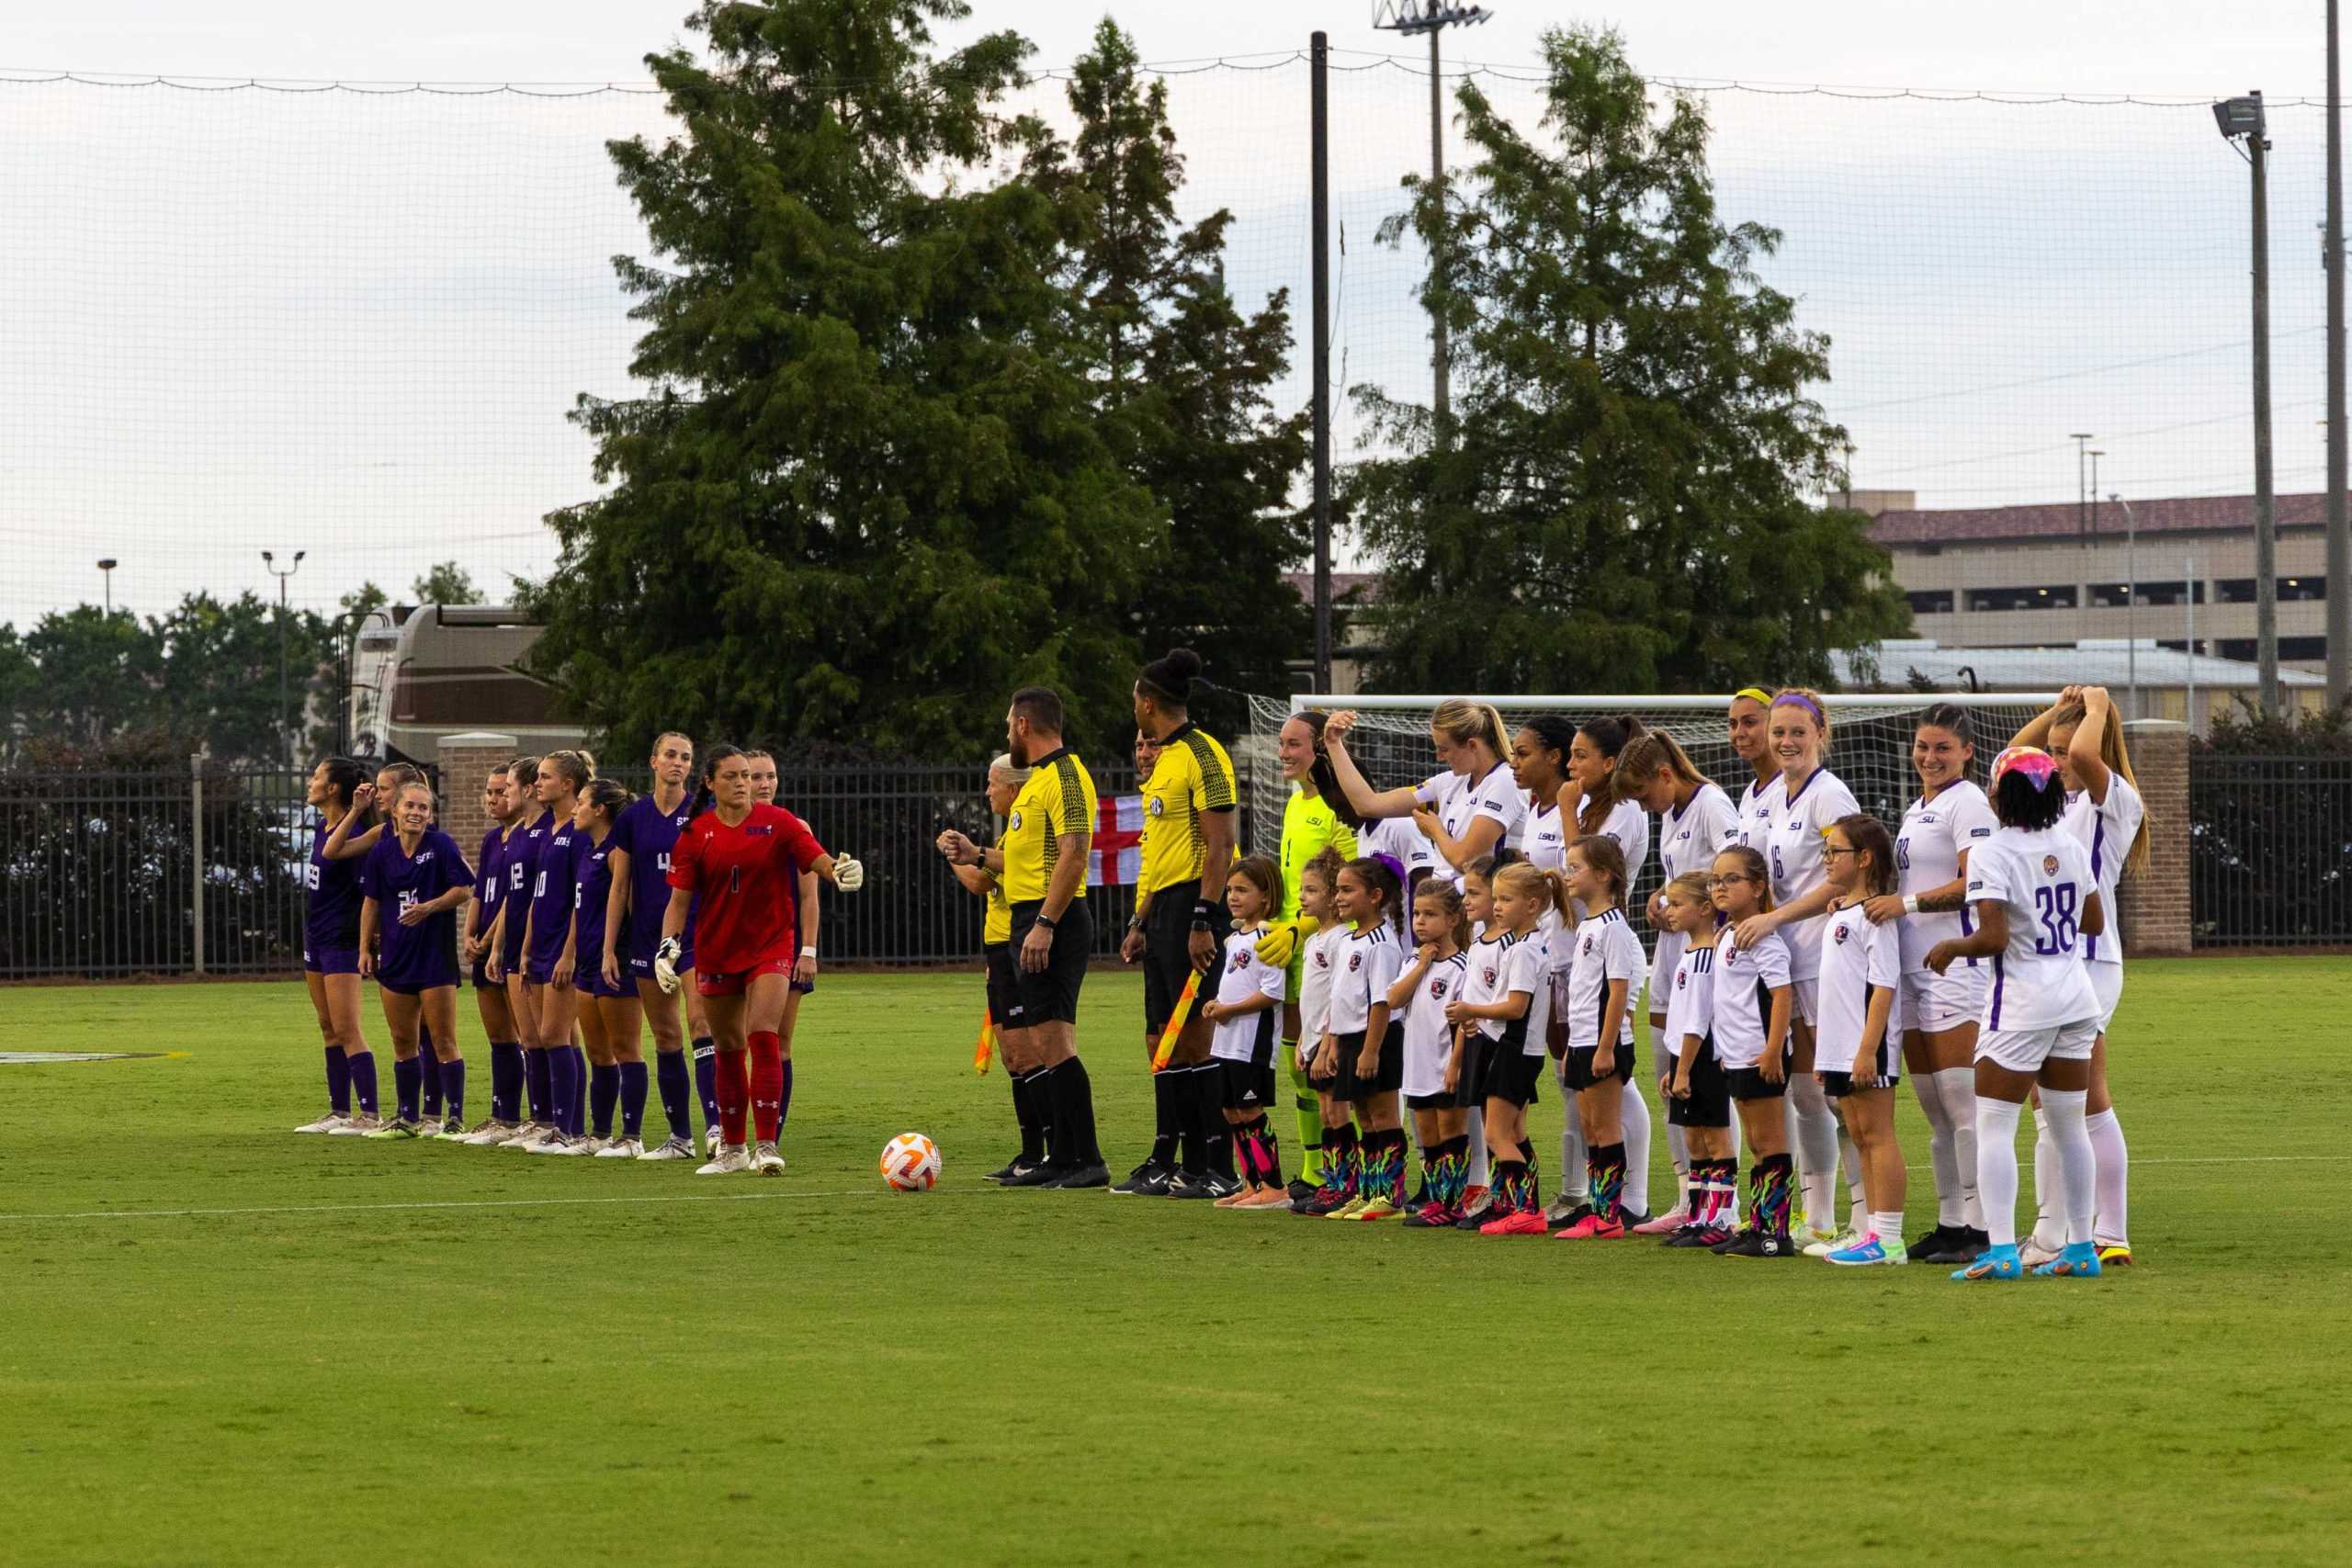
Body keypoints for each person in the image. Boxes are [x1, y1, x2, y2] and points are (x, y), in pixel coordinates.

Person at [1926, 746, 2108, 1281]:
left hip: (2023, 1004)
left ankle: (2002, 1250)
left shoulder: (1992, 851)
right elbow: (2093, 921)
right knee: (2069, 1127)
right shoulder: (2069, 844)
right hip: (2075, 998)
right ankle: (2080, 1248)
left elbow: (1994, 936)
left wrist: (1951, 949)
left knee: (1995, 1125)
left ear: (2001, 796)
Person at [660, 745, 863, 1176]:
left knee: (763, 1035)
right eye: (731, 776)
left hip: (771, 946)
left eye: (747, 776)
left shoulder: (778, 823)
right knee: (728, 1048)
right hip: (716, 950)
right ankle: (733, 1149)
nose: (742, 783)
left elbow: (815, 858)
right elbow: (679, 901)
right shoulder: (696, 834)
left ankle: (767, 1145)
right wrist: (668, 946)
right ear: (711, 784)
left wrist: (838, 871)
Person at [935, 688, 1104, 1188]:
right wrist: (976, 853)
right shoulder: (1037, 784)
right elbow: (1024, 861)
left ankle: (1087, 1159)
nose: (1007, 732)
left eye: (1010, 724)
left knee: (1056, 1040)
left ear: (1024, 726)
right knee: (1041, 1042)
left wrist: (1046, 924)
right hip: (1028, 919)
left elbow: (1074, 855)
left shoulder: (1067, 777)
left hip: (1054, 920)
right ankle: (1061, 1158)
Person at [2011, 685, 2146, 1269]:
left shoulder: (2112, 798)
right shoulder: (2052, 801)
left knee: (2086, 1099)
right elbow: (2015, 757)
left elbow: (2091, 759)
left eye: (2065, 750)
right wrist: (2061, 711)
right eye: (2056, 750)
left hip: (2091, 962)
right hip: (2049, 963)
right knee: (2050, 1105)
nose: (2058, 759)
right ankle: (2067, 1231)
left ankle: (2106, 1230)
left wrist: (2097, 709)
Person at [1725, 689, 1864, 1249]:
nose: (1786, 742)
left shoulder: (1829, 796)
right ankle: (1819, 1215)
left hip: (1822, 957)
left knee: (1834, 1093)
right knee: (1806, 1093)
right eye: (1778, 732)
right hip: (1781, 958)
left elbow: (1844, 875)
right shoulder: (1771, 795)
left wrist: (1776, 916)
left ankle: (1861, 1216)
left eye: (1797, 733)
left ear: (1819, 735)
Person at [1859, 705, 1997, 1262]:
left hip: (1955, 968)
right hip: (1914, 968)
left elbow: (1977, 881)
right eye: (1923, 746)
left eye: (1943, 748)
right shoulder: (1920, 807)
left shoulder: (1968, 803)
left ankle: (1980, 1227)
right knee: (1934, 1108)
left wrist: (1907, 902)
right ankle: (1948, 1221)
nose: (1930, 758)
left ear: (1967, 751)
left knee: (1963, 1104)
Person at [1126, 649, 1241, 1197]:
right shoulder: (1165, 758)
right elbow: (1160, 850)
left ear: (1147, 703)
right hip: (1164, 912)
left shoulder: (1204, 754)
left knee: (1197, 1036)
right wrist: (1139, 919)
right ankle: (1175, 1161)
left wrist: (1203, 917)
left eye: (1135, 701)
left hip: (1196, 906)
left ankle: (1214, 1167)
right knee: (1161, 1038)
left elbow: (1219, 844)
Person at [1617, 728, 1740, 1231]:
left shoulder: (1713, 803)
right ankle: (1689, 1196)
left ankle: (1720, 1205)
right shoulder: (1671, 812)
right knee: (1671, 1067)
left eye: (1645, 793)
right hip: (1674, 954)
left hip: (1708, 956)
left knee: (1706, 1077)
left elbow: (1736, 872)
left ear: (1665, 774)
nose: (1646, 806)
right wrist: (1662, 899)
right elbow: (1686, 880)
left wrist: (1707, 917)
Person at [1549, 717, 1655, 1227]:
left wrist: (1609, 1043)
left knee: (1609, 1118)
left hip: (1606, 1037)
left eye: (1580, 755)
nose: (1570, 766)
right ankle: (1598, 1203)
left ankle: (1618, 1207)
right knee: (1592, 1121)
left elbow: (1617, 991)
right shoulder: (1592, 925)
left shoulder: (1613, 926)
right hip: (1587, 1030)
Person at [1250, 710, 1360, 1198]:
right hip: (1298, 943)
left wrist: (1302, 927)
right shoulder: (1296, 804)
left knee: (1331, 1064)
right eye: (1282, 742)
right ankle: (1316, 1171)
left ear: (1319, 750)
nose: (1283, 752)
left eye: (1294, 743)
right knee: (1298, 1063)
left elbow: (1350, 889)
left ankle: (1347, 1171)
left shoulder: (1340, 810)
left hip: (1332, 949)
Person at [603, 732, 712, 1161]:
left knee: (700, 1024)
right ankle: (680, 1138)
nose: (678, 763)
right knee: (666, 1035)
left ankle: (718, 1130)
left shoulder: (701, 814)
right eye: (671, 755)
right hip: (648, 939)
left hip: (695, 935)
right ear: (653, 761)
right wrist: (610, 947)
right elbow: (619, 887)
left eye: (686, 757)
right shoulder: (633, 819)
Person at [942, 754, 1048, 1183]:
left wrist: (955, 855)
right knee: (1012, 1056)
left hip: (1013, 946)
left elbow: (980, 881)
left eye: (992, 784)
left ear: (1014, 788)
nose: (988, 792)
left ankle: (1048, 1152)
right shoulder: (1008, 837)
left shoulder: (1021, 837)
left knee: (1027, 1054)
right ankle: (1029, 1154)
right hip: (998, 951)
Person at [1812, 814, 1908, 1265]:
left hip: (1865, 1047)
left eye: (1836, 851)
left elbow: (1883, 985)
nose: (1827, 860)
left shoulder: (1875, 915)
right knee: (1858, 1134)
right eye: (1826, 851)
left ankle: (1889, 1239)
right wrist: (1825, 1052)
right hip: (1838, 1048)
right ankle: (1871, 1232)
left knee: (1877, 1135)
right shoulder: (1843, 912)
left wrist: (1868, 1048)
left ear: (1864, 857)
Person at [355, 780, 473, 1137]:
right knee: (402, 1040)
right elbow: (372, 902)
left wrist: (429, 907)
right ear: (395, 810)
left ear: (430, 815)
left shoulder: (441, 846)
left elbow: (464, 889)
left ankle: (452, 1119)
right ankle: (407, 1118)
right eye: (410, 806)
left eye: (423, 808)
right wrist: (364, 949)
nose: (416, 813)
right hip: (395, 957)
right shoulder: (382, 852)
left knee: (443, 1039)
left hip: (434, 959)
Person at [319, 761, 427, 1136]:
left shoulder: (432, 843)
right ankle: (353, 1111)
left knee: (426, 1036)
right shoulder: (380, 833)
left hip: (415, 946)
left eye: (383, 789)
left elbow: (461, 886)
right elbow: (332, 852)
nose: (376, 795)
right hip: (362, 941)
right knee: (396, 1036)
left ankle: (419, 1114)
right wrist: (356, 810)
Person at [1449, 861, 1553, 1235]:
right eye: (1496, 899)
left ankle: (1522, 1210)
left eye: (1505, 899)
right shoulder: (1524, 944)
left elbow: (1516, 1007)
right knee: (1514, 1132)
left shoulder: (1524, 949)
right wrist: (1481, 1018)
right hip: (1515, 1046)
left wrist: (1471, 1009)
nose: (1497, 907)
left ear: (1532, 904)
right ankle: (1519, 1207)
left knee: (1496, 1135)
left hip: (1514, 1049)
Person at [1320, 700, 1521, 889]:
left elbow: (1464, 860)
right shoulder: (1449, 781)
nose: (1439, 757)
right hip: (1454, 908)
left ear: (1472, 745)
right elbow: (1368, 805)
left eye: (1444, 749)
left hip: (1490, 910)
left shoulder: (1504, 780)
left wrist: (1436, 831)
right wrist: (1334, 744)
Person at [1707, 845, 1799, 1258]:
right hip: (1738, 1053)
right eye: (1715, 880)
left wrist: (1773, 1050)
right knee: (1756, 1144)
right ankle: (1759, 1224)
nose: (1720, 888)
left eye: (1731, 879)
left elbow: (1782, 994)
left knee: (1769, 1141)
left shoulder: (1764, 939)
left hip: (1761, 1053)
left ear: (1758, 887)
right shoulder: (1727, 933)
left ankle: (1774, 1233)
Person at [1312, 856, 1408, 1221]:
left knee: (1384, 1117)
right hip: (1351, 1039)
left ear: (1375, 896)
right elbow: (1340, 998)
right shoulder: (1350, 939)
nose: (1338, 896)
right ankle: (1369, 1191)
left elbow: (1381, 1003)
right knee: (1364, 1118)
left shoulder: (1381, 944)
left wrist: (1371, 1051)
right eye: (1337, 889)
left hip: (1376, 1040)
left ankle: (1392, 1198)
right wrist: (1332, 1045)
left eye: (1347, 889)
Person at [1652, 874, 1737, 1247]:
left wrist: (1682, 1069)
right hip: (1683, 1058)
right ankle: (1699, 1215)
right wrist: (1675, 1068)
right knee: (1694, 1141)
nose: (1669, 911)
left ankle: (1721, 1217)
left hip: (1701, 1056)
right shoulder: (1689, 953)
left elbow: (1697, 1021)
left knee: (1715, 1139)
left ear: (1704, 909)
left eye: (1677, 904)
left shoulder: (1705, 958)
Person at [1202, 855, 1292, 1209]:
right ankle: (1252, 1182)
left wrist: (1229, 1009)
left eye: (1243, 889)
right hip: (1227, 1039)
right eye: (1229, 890)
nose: (1233, 897)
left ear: (1266, 896)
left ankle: (1275, 1185)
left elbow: (1272, 993)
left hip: (1251, 1042)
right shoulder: (1234, 937)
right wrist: (1216, 1004)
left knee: (1250, 1111)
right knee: (1231, 1111)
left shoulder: (1268, 937)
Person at [294, 757, 378, 1134]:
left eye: (316, 777)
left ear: (332, 789)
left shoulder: (356, 832)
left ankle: (369, 1114)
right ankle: (339, 1112)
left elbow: (367, 895)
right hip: (317, 936)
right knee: (328, 1026)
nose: (310, 782)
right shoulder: (322, 825)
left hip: (341, 939)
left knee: (347, 1028)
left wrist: (367, 942)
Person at [515, 750, 592, 1152]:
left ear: (567, 785)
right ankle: (563, 1126)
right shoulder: (549, 830)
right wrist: (527, 949)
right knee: (555, 1037)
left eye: (545, 777)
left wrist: (570, 953)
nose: (536, 783)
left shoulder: (578, 832)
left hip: (563, 948)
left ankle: (570, 1129)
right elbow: (536, 898)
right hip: (541, 947)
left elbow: (581, 900)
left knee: (553, 1034)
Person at [566, 777, 645, 1156]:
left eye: (581, 801)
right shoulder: (589, 849)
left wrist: (618, 952)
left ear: (600, 809)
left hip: (615, 962)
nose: (574, 808)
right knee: (598, 1052)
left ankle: (631, 1137)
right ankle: (598, 1135)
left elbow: (631, 907)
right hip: (587, 962)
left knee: (626, 1049)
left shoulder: (617, 852)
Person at [1390, 877, 1473, 1227]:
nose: (1420, 922)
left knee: (1450, 1133)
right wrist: (1422, 964)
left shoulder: (1461, 966)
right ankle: (1438, 1200)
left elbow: (1466, 1025)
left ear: (1453, 920)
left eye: (1430, 915)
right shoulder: (1414, 960)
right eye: (1416, 914)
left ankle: (1453, 1203)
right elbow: (1393, 999)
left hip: (1445, 1064)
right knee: (1428, 1138)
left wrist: (1455, 1064)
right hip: (1417, 1067)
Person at [482, 756, 555, 1145]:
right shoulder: (519, 834)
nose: (504, 793)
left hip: (542, 944)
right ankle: (539, 1117)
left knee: (551, 1035)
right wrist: (498, 946)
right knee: (530, 1037)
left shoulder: (545, 831)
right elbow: (513, 898)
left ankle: (556, 1121)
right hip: (516, 945)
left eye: (508, 787)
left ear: (527, 790)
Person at [455, 761, 526, 1144]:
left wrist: (493, 936)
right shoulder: (490, 840)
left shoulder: (528, 837)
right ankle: (504, 1117)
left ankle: (540, 1118)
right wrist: (469, 933)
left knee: (530, 1035)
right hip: (486, 946)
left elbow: (516, 897)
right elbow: (481, 892)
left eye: (503, 790)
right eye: (490, 792)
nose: (495, 798)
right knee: (499, 1036)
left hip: (513, 945)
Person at [746, 747, 825, 1086]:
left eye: (771, 776)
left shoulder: (794, 827)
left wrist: (808, 951)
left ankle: (770, 1135)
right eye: (756, 776)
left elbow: (809, 896)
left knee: (777, 1043)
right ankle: (727, 1132)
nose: (765, 784)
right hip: (733, 947)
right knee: (732, 1044)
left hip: (783, 947)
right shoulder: (718, 826)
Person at [1287, 851, 1358, 1215]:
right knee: (1327, 1114)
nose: (1302, 896)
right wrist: (1302, 1040)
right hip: (1314, 1040)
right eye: (1302, 889)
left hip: (1332, 1042)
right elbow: (1310, 998)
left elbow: (1338, 995)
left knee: (1337, 1113)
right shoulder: (1315, 939)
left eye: (1311, 890)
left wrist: (1328, 1042)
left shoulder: (1340, 939)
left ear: (1332, 896)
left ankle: (1346, 1185)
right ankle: (1333, 1183)